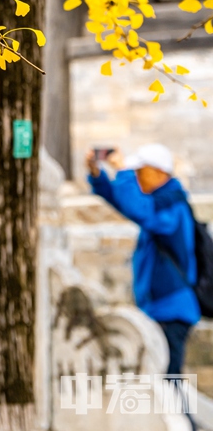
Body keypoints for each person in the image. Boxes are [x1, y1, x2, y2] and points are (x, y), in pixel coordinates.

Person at [86, 143, 200, 385]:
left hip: (172, 309)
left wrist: (123, 170)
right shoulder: (160, 201)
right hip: (161, 308)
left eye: (140, 172)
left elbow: (139, 210)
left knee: (168, 384)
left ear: (159, 173)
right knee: (164, 383)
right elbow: (127, 203)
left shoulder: (172, 203)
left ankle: (184, 424)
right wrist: (99, 177)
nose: (137, 178)